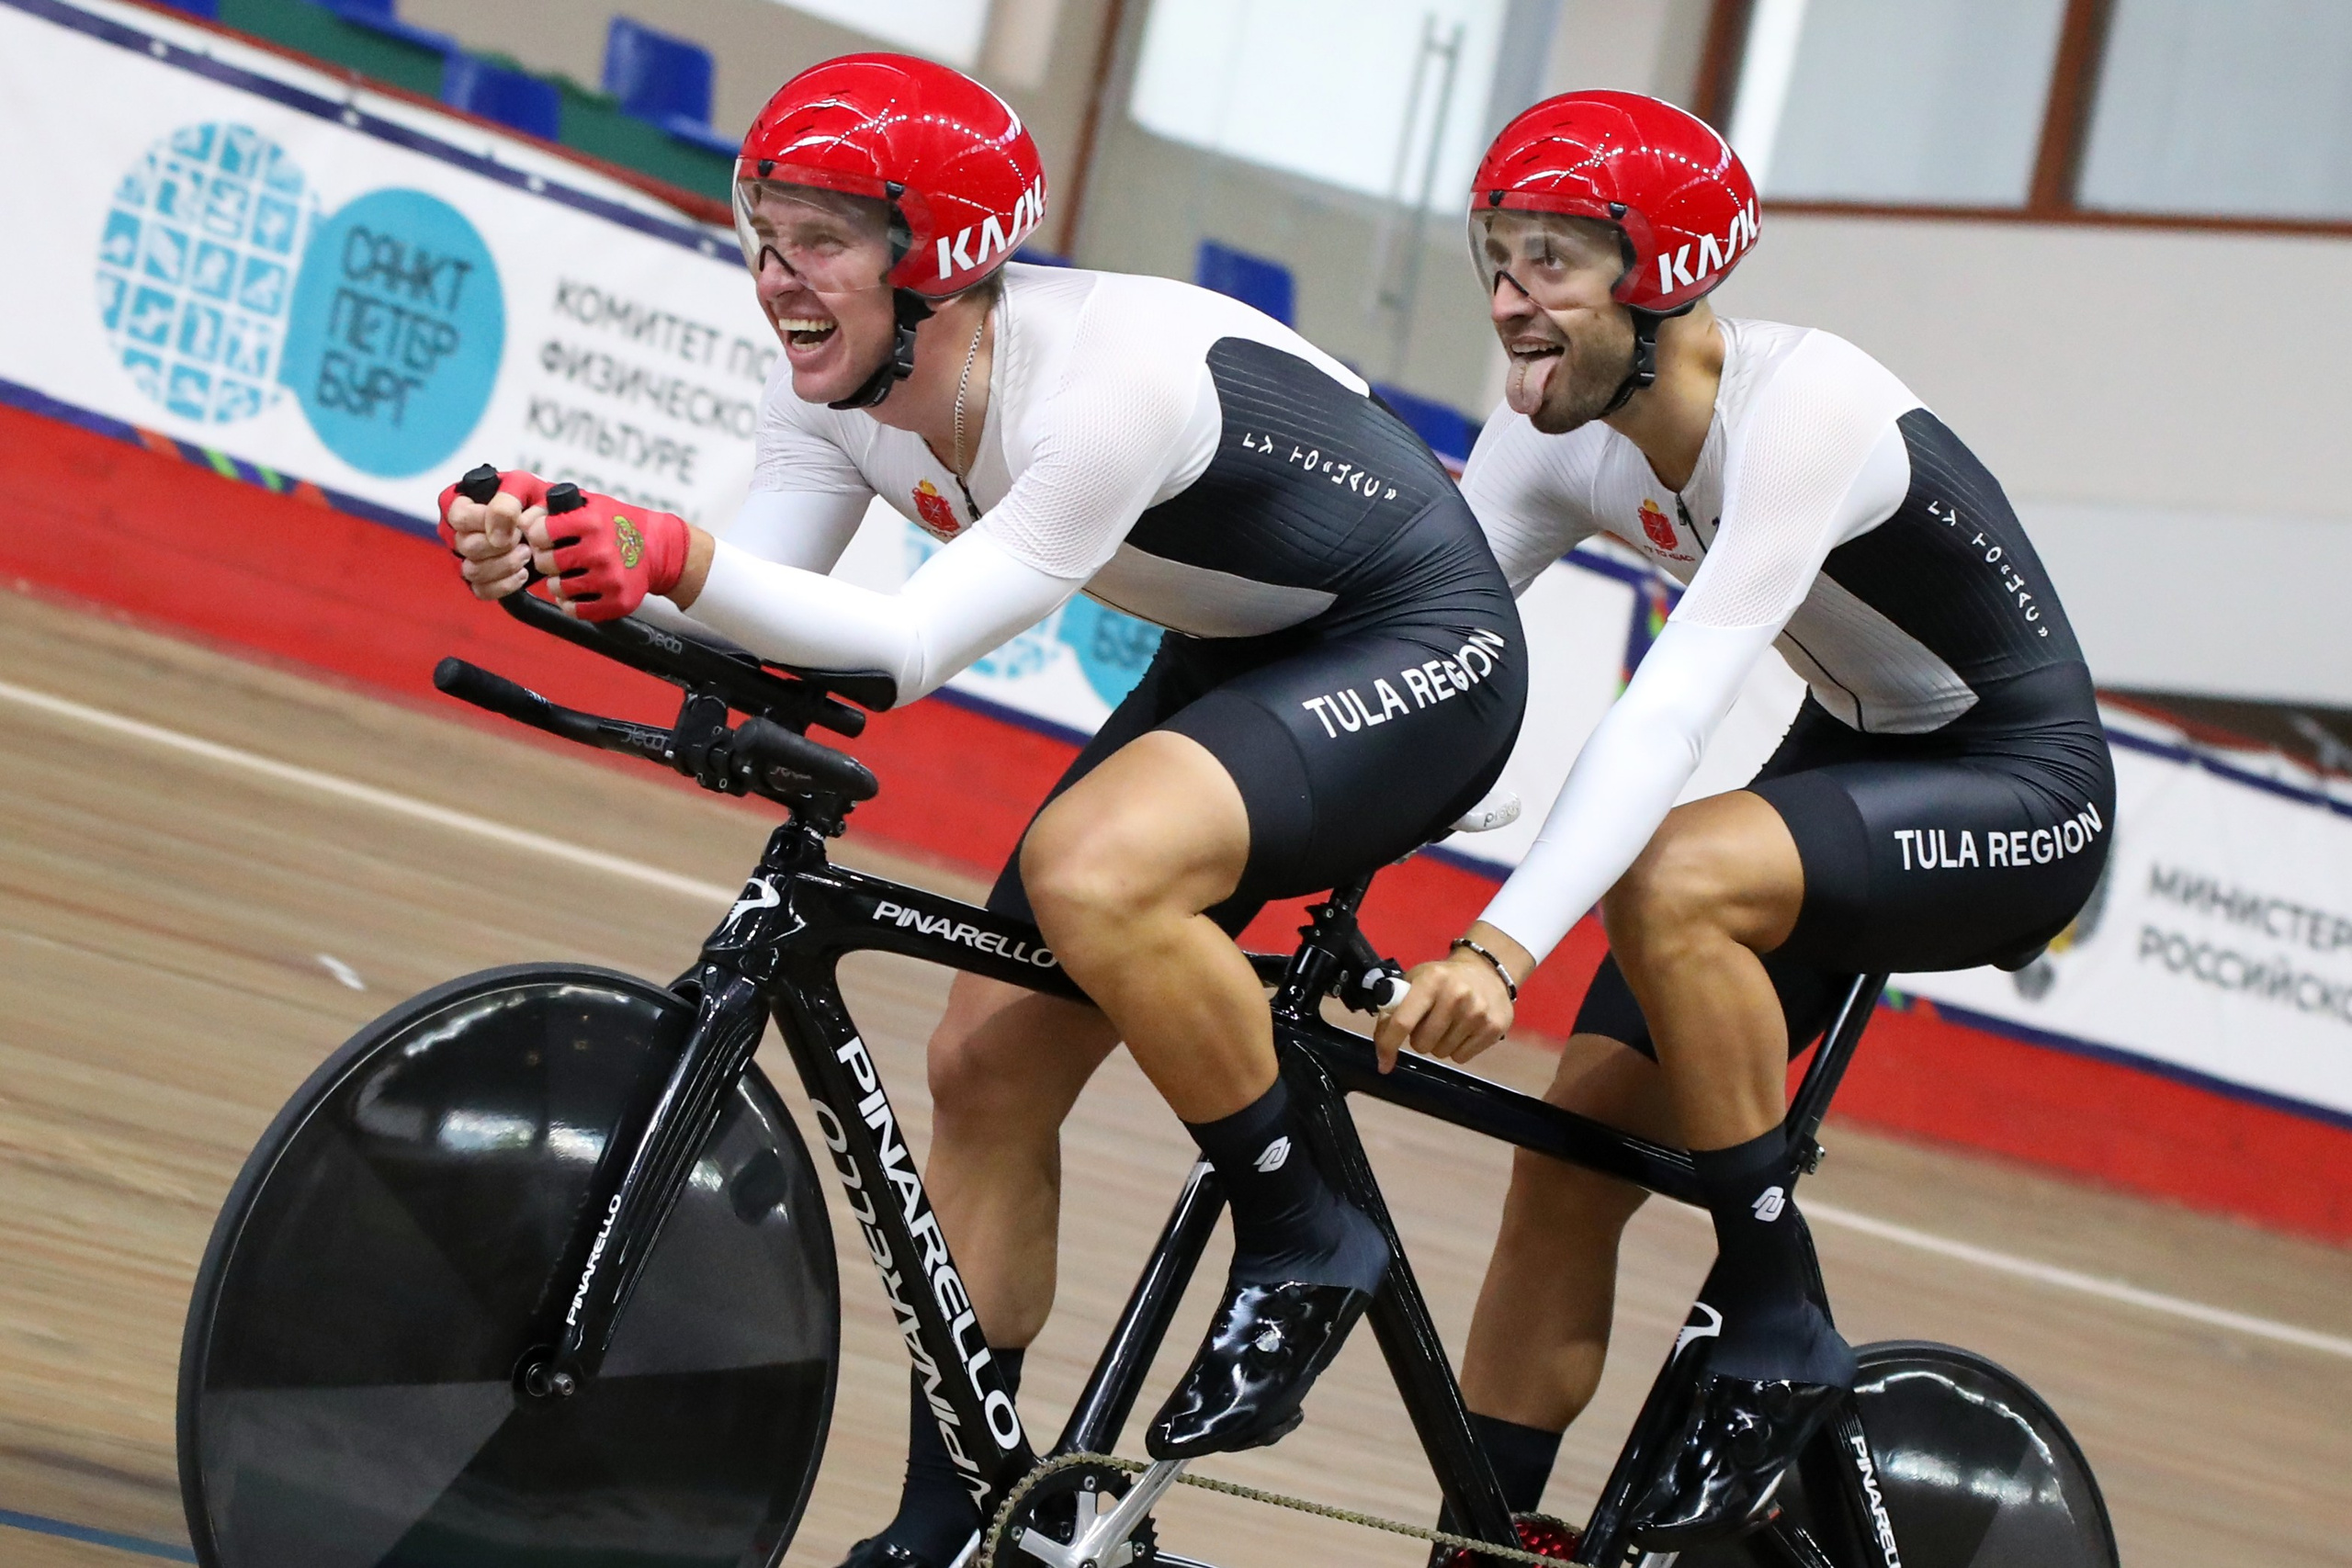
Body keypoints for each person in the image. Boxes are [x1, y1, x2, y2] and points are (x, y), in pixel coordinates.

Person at [439, 53, 1526, 1568]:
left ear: (935, 256)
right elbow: (767, 630)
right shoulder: (832, 392)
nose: (775, 277)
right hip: (1243, 661)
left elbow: (897, 650)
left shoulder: (1107, 382)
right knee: (986, 1064)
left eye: (815, 238)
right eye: (762, 228)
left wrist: (665, 551)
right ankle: (967, 1524)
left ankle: (1306, 1224)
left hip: (1426, 652)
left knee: (1093, 872)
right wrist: (556, 564)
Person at [1377, 91, 2115, 1550]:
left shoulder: (1806, 405)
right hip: (1846, 759)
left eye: (1552, 264)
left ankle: (1780, 1324)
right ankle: (1482, 1545)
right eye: (1498, 257)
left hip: (2022, 787)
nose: (1512, 304)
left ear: (1661, 278)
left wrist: (1504, 946)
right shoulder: (1552, 427)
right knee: (1568, 1166)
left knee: (1674, 874)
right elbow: (1414, 634)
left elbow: (1670, 709)